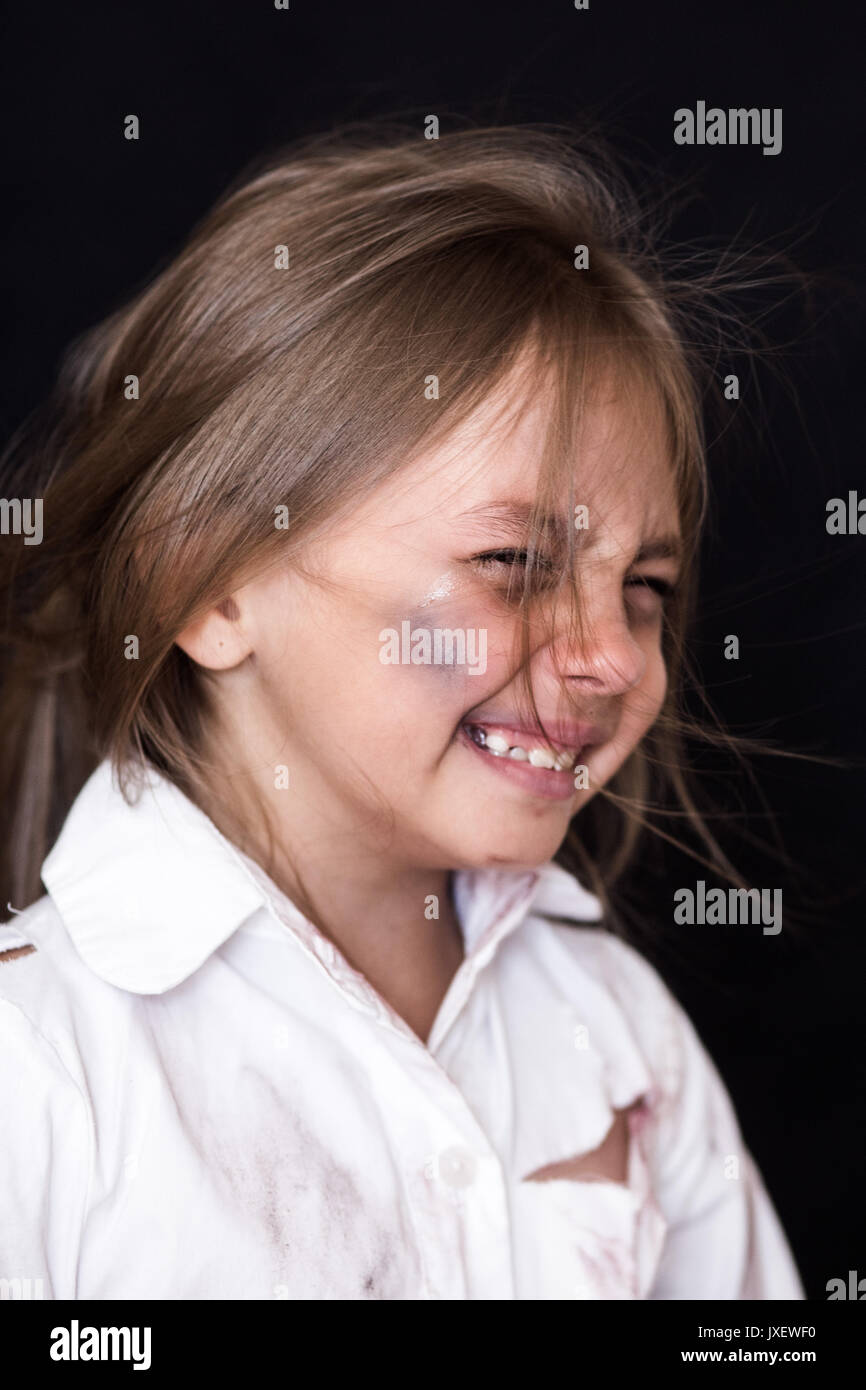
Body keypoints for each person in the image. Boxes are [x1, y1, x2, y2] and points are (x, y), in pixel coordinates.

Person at [0, 125, 804, 1299]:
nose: (609, 657)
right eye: (513, 561)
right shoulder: (41, 1073)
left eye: (644, 588)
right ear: (208, 586)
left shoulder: (621, 1039)